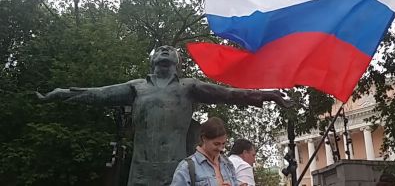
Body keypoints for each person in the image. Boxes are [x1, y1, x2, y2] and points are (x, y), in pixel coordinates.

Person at [37, 45, 292, 186]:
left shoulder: (188, 87)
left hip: (176, 172)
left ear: (178, 62)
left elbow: (227, 94)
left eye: (170, 50)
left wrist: (266, 94)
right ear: (152, 60)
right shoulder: (137, 87)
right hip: (139, 173)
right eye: (160, 49)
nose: (165, 51)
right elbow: (98, 94)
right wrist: (62, 93)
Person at [171, 117, 239, 186]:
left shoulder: (227, 164)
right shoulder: (187, 167)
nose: (220, 148)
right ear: (204, 139)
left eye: (223, 143)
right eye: (216, 144)